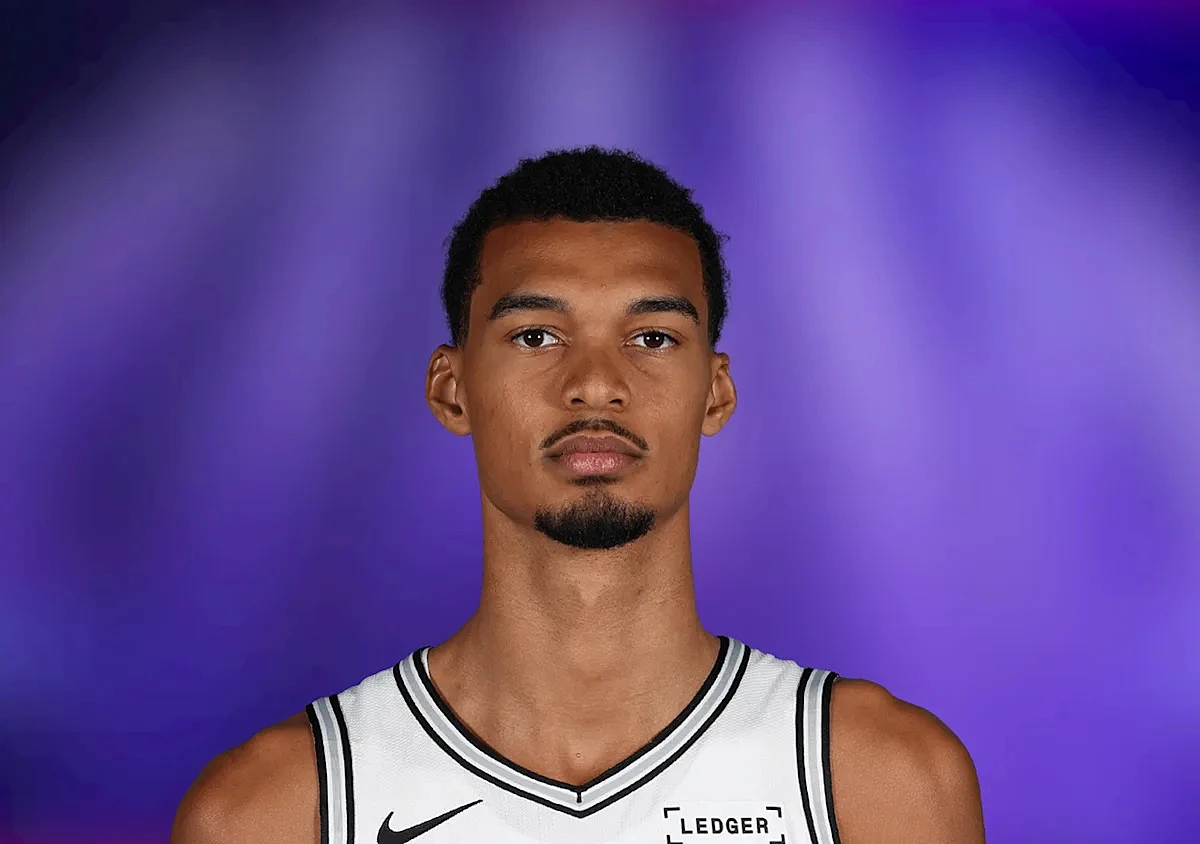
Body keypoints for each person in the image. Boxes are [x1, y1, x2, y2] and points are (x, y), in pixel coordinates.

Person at [172, 147, 986, 844]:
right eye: (537, 336)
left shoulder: (881, 785)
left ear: (715, 393)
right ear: (452, 388)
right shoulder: (275, 811)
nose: (596, 384)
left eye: (652, 338)